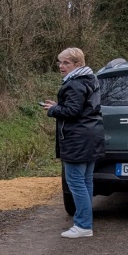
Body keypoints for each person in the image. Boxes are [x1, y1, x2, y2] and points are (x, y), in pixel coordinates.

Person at [41, 47, 105, 238]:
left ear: (77, 64)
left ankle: (83, 225)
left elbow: (72, 111)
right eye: (60, 62)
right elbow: (80, 107)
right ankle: (84, 222)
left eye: (66, 63)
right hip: (91, 135)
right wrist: (58, 106)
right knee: (85, 181)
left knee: (76, 182)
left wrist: (53, 110)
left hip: (77, 139)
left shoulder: (75, 84)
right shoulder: (91, 79)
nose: (61, 66)